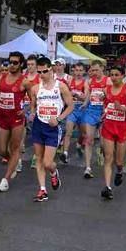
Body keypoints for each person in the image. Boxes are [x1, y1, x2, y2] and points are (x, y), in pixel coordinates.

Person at [29, 57, 74, 203]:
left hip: (53, 127)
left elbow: (71, 106)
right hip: (38, 125)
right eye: (39, 72)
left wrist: (59, 119)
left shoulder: (60, 86)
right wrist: (31, 113)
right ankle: (42, 189)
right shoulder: (35, 88)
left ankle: (54, 172)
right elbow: (33, 105)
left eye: (45, 71)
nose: (42, 74)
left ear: (51, 69)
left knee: (48, 163)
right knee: (39, 159)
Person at [100, 66, 126, 200]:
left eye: (117, 75)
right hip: (108, 126)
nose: (113, 77)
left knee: (118, 160)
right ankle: (107, 187)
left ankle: (119, 171)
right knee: (108, 157)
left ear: (122, 76)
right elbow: (106, 104)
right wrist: (104, 112)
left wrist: (124, 108)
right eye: (111, 75)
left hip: (122, 128)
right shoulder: (106, 90)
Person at [0, 52, 33, 192]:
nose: (12, 65)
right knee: (2, 150)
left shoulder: (24, 81)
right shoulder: (2, 78)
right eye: (10, 62)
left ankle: (5, 179)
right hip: (3, 118)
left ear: (21, 64)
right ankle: (14, 162)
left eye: (15, 62)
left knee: (15, 147)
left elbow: (33, 99)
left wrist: (27, 110)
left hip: (16, 119)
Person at [82, 61, 109, 178]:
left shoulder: (108, 80)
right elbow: (88, 95)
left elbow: (112, 95)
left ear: (102, 68)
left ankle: (101, 152)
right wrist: (84, 103)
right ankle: (88, 167)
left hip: (103, 113)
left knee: (103, 144)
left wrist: (106, 95)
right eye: (92, 70)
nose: (94, 72)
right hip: (91, 111)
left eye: (97, 70)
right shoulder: (89, 81)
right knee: (89, 140)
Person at [59, 62, 89, 167]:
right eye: (76, 70)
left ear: (84, 72)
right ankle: (65, 153)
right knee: (68, 132)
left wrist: (76, 94)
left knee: (83, 134)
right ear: (73, 71)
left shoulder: (85, 83)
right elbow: (63, 93)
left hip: (82, 109)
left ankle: (79, 144)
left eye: (81, 70)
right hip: (72, 109)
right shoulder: (69, 81)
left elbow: (86, 97)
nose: (78, 73)